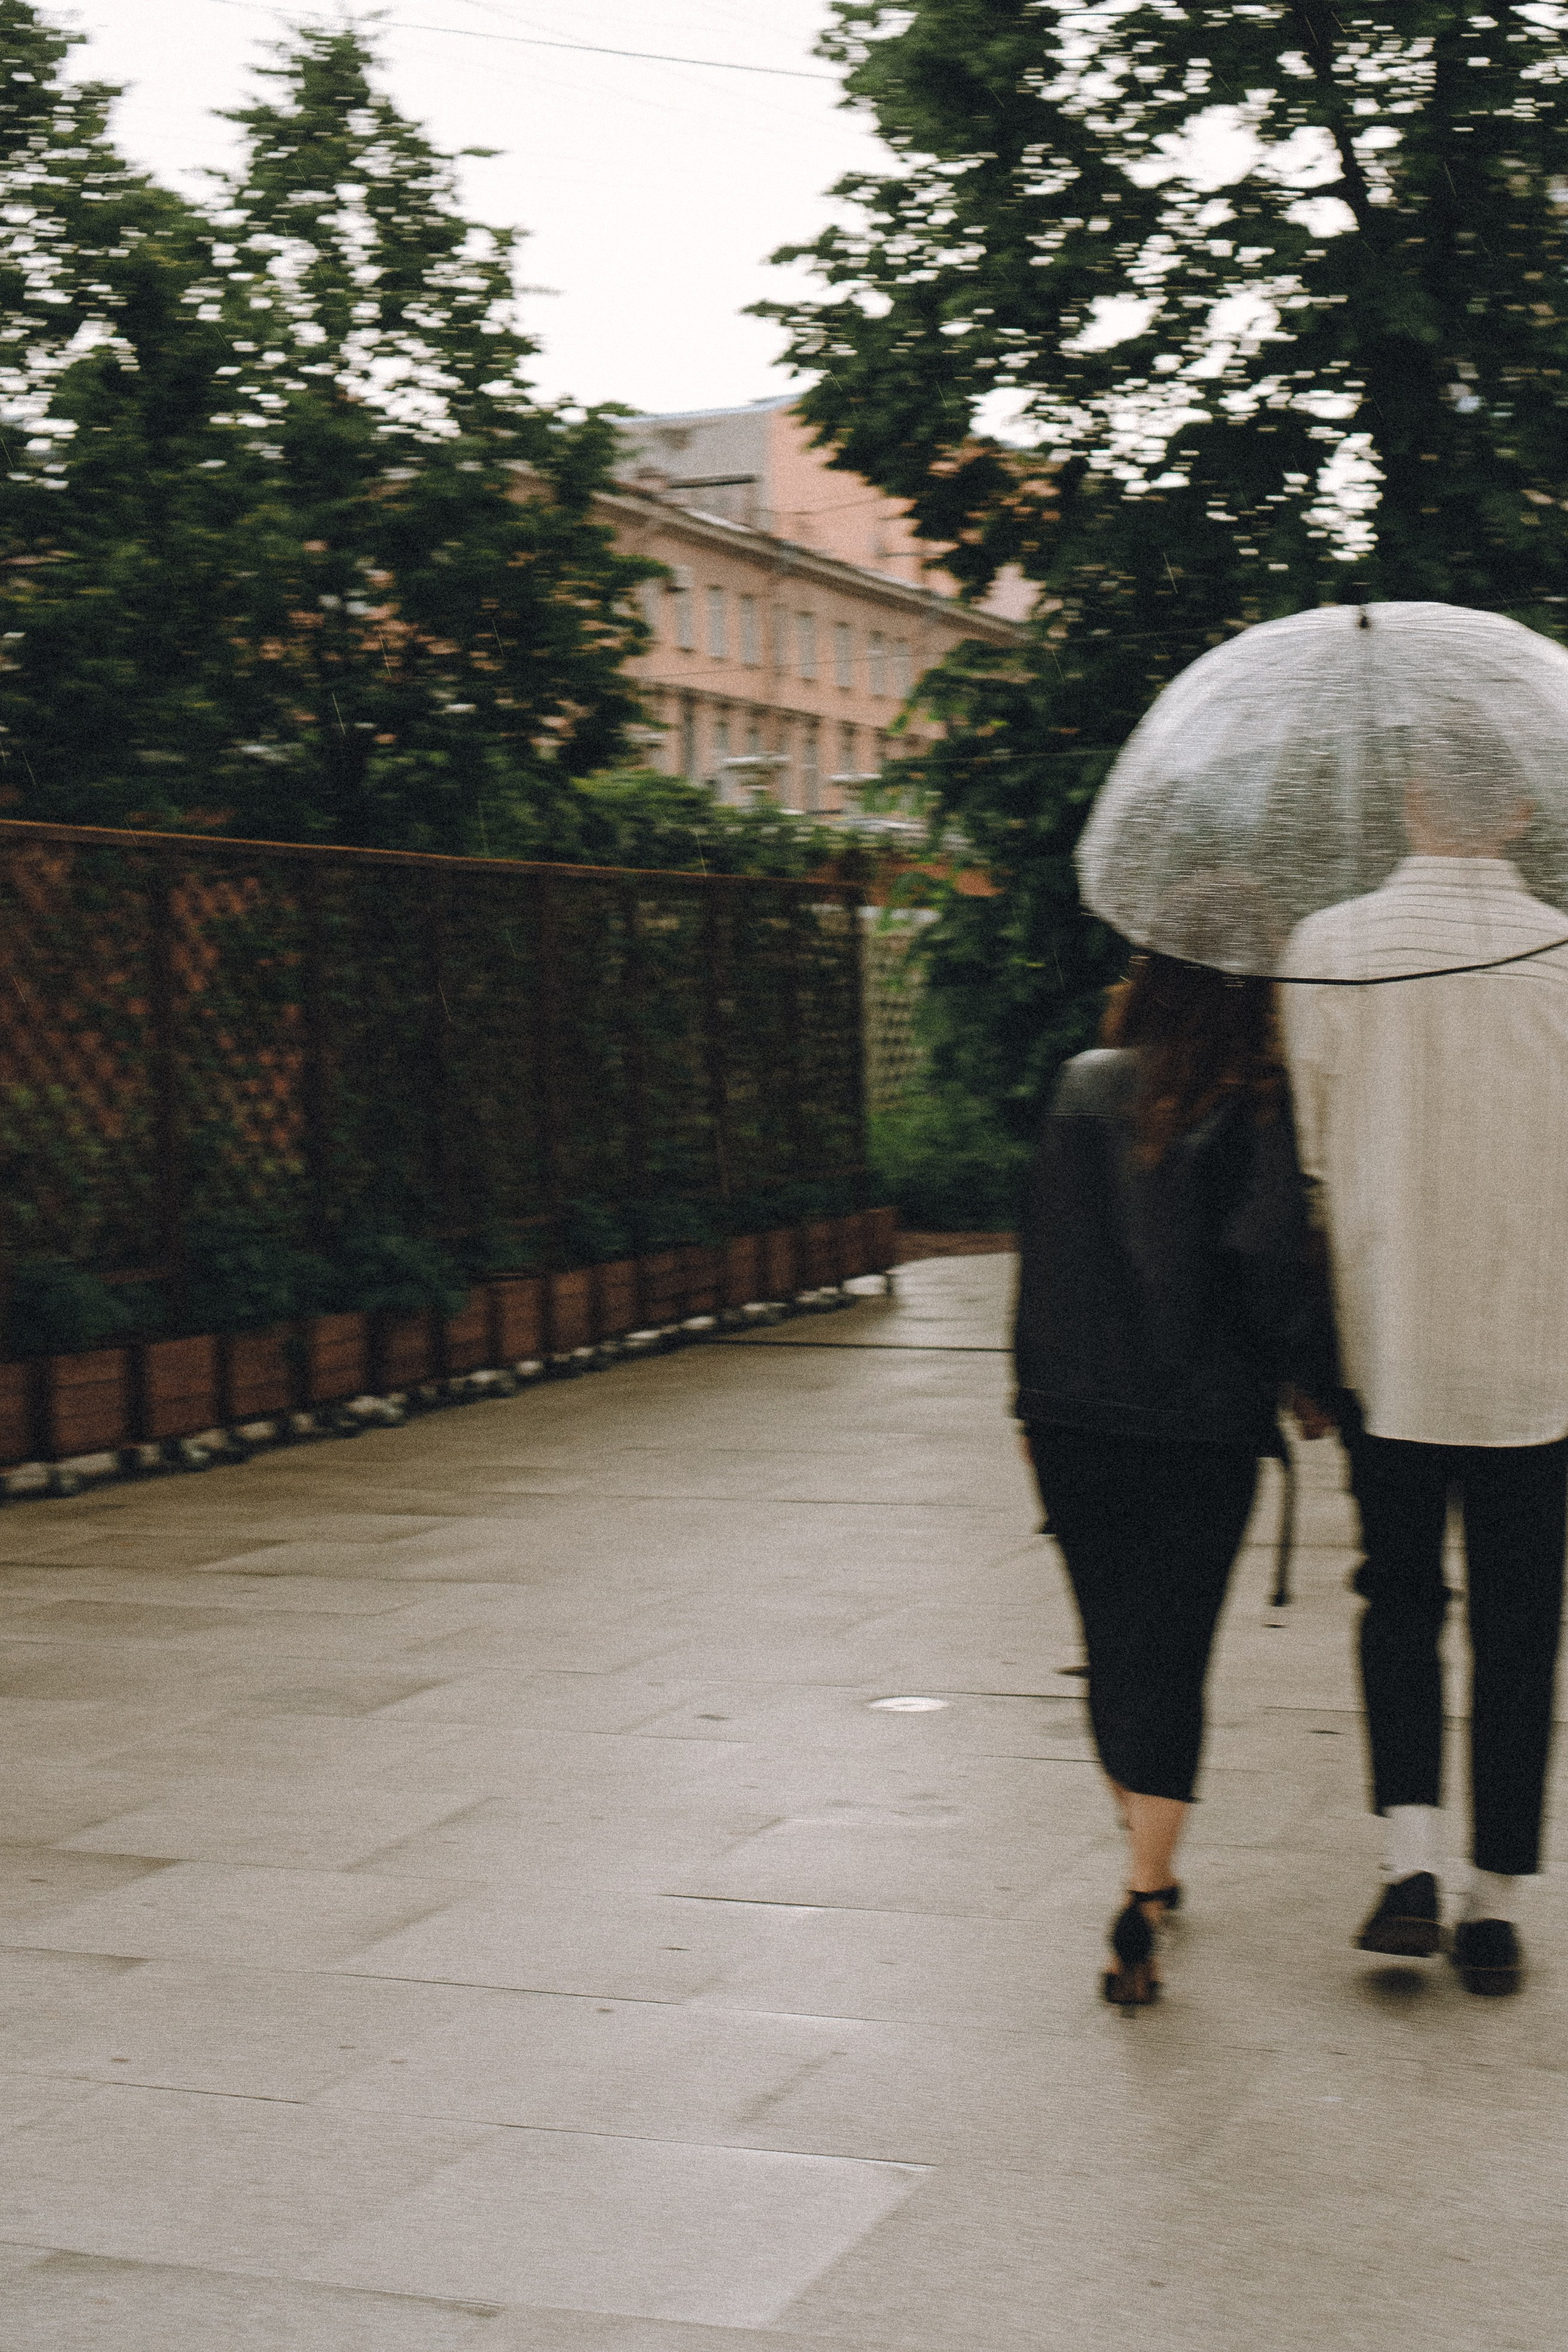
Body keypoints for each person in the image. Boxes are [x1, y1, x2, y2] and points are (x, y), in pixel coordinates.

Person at [1280, 761, 1568, 1997]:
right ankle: (1495, 1897)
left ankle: (1409, 1861)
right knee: (1520, 1620)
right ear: (1515, 809)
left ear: (1402, 798)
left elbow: (1300, 1156)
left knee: (1394, 1598)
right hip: (1534, 1351)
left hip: (1381, 1343)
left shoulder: (1327, 948)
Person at [1015, 951, 1336, 2008]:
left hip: (1072, 1415)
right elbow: (1265, 1266)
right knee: (1176, 1643)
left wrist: (1037, 1397)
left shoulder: (1078, 1084)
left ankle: (1141, 1841)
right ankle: (1143, 1889)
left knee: (1110, 1641)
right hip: (1199, 1424)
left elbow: (1047, 1254)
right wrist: (1306, 1375)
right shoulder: (1249, 1107)